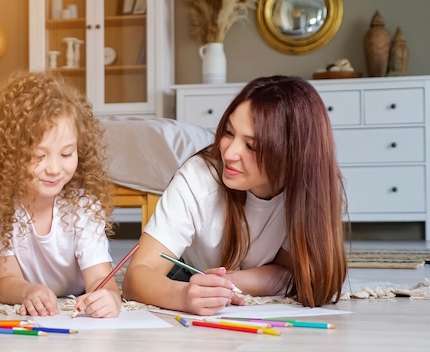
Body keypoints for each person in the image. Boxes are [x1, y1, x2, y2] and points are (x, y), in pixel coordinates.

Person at [122, 75, 347, 316]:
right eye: (228, 132)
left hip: (228, 278)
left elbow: (302, 273)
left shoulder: (309, 187)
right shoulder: (198, 177)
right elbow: (137, 276)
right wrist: (183, 295)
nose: (229, 153)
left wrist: (229, 283)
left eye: (251, 146)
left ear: (292, 156)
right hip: (189, 275)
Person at [0, 70, 121, 318]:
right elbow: (7, 281)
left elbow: (100, 277)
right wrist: (27, 292)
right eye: (38, 156)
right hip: (19, 283)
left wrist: (108, 297)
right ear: (9, 155)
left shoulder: (82, 205)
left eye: (66, 154)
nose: (54, 168)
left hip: (74, 290)